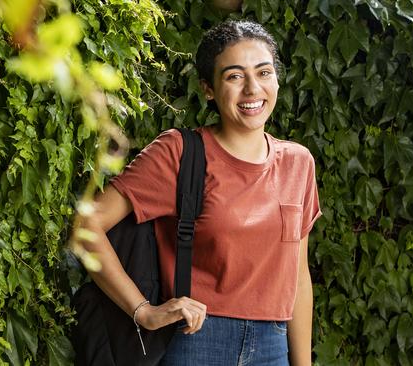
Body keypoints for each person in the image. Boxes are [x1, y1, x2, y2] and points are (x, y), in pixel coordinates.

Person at [78, 19, 321, 366]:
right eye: (234, 76)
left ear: (277, 80)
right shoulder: (180, 152)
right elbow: (87, 226)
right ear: (208, 89)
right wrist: (144, 312)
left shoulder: (298, 163)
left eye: (264, 73)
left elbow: (297, 275)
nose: (253, 88)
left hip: (273, 347)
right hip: (196, 343)